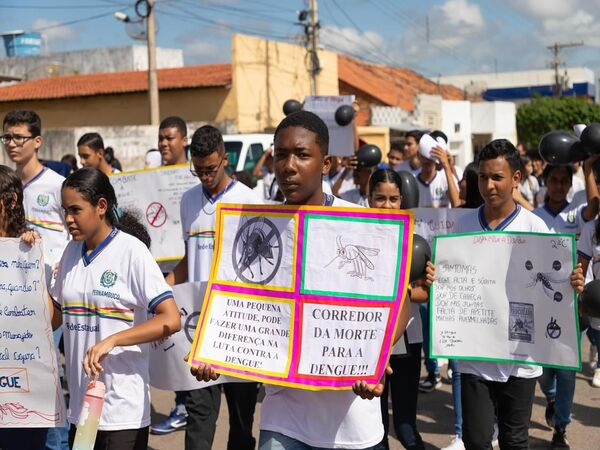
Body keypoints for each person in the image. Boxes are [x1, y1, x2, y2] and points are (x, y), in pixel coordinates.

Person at [190, 111, 411, 449]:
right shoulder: (253, 226)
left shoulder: (363, 226)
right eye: (280, 154)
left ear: (326, 163)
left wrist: (375, 360)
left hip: (351, 423)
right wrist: (214, 353)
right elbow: (239, 307)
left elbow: (402, 304)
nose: (288, 165)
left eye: (302, 155)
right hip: (284, 418)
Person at [425, 139, 584, 450]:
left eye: (497, 177)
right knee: (476, 439)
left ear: (516, 179)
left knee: (514, 440)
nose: (489, 185)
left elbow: (555, 281)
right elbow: (450, 280)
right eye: (483, 177)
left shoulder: (536, 228)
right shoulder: (462, 227)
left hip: (521, 355)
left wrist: (572, 281)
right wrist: (435, 277)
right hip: (475, 354)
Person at [48, 167, 181, 450]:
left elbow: (171, 318)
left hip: (122, 413)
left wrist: (112, 340)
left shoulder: (132, 253)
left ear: (101, 206)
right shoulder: (71, 252)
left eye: (75, 210)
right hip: (83, 412)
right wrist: (26, 270)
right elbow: (54, 318)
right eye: (64, 210)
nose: (68, 219)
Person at [168, 125, 260, 450]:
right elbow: (188, 257)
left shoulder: (250, 201)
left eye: (211, 168)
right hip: (198, 328)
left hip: (241, 328)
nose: (205, 176)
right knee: (199, 417)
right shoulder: (188, 200)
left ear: (224, 158)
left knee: (241, 419)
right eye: (199, 170)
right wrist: (161, 290)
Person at [369, 169, 429, 450]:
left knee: (406, 427)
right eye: (380, 198)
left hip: (408, 338)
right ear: (369, 199)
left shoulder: (415, 241)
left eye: (393, 198)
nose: (387, 205)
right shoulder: (357, 236)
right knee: (374, 427)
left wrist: (401, 292)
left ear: (402, 200)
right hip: (368, 341)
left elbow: (423, 292)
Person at [0, 165, 49, 450]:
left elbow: (49, 318)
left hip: (25, 375)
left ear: (11, 201)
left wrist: (34, 265)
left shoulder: (30, 247)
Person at [150, 116, 191, 435]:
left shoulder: (195, 178)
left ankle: (187, 406)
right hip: (162, 270)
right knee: (173, 345)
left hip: (190, 271)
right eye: (161, 138)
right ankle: (182, 403)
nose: (164, 144)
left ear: (184, 141)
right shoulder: (151, 177)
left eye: (170, 138)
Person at [533, 160, 599, 236]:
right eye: (554, 180)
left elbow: (593, 210)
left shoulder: (576, 212)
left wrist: (588, 166)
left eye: (564, 181)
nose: (559, 186)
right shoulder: (535, 215)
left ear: (570, 184)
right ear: (545, 182)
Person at [415, 138, 460, 208]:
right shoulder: (412, 181)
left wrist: (446, 165)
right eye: (424, 157)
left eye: (431, 158)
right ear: (418, 155)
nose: (427, 161)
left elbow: (457, 205)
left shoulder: (445, 179)